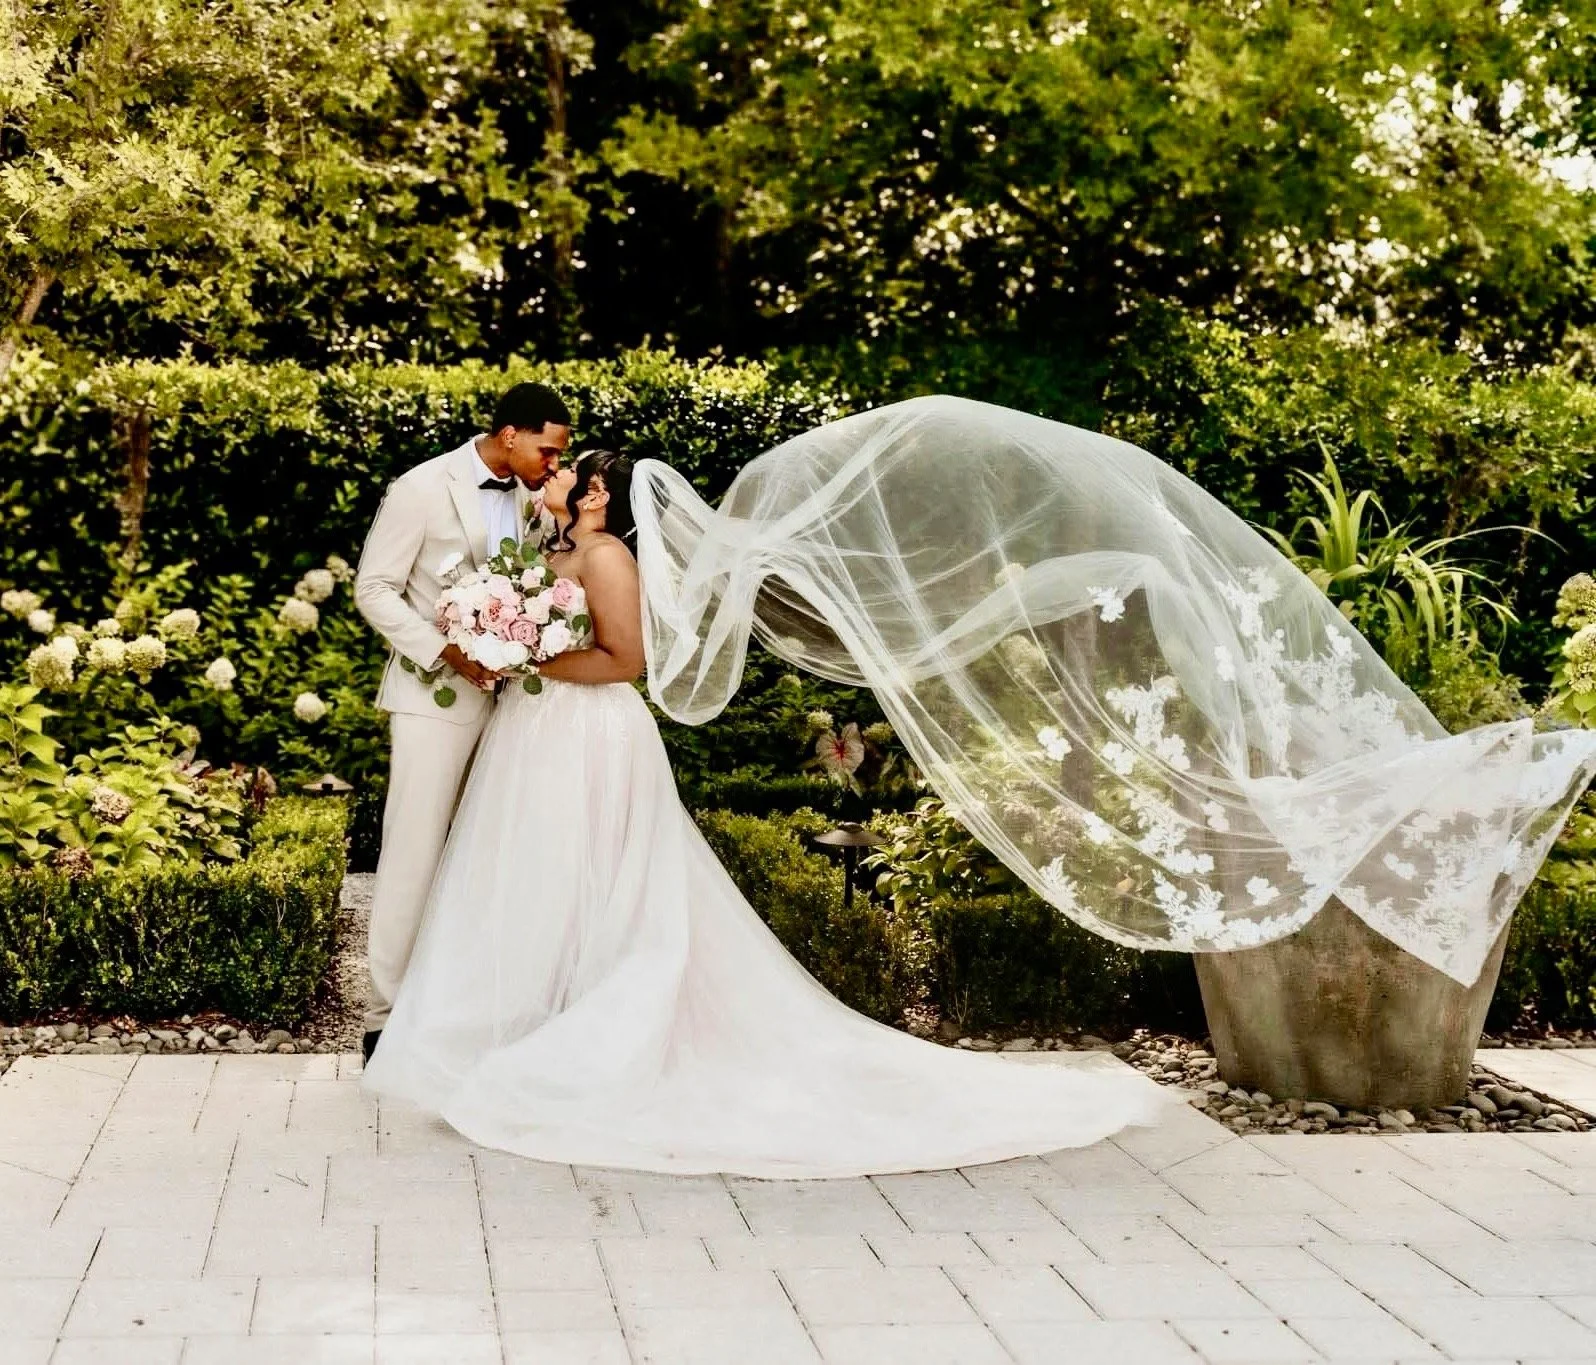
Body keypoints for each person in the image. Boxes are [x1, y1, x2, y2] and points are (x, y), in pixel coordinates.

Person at [360, 448, 1171, 1178]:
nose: (555, 475)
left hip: (590, 733)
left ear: (598, 492)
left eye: (572, 471)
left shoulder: (606, 558)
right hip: (532, 732)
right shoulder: (549, 551)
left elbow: (625, 661)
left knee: (598, 873)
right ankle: (515, 1019)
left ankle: (580, 1029)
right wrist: (499, 635)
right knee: (535, 876)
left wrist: (528, 651)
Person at [353, 381, 570, 1065]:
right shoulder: (421, 487)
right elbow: (373, 589)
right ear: (511, 434)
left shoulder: (540, 501)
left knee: (495, 854)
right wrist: (445, 647)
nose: (555, 464)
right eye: (548, 448)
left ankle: (465, 1008)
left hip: (515, 702)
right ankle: (384, 1019)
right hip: (432, 698)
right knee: (413, 850)